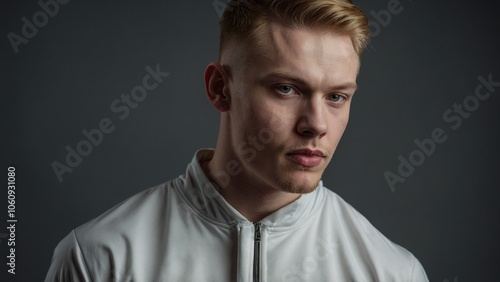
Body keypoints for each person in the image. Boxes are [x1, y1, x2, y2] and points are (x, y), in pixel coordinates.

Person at [45, 0, 429, 281]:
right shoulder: (97, 258)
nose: (316, 125)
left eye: (336, 97)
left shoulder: (392, 272)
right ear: (220, 88)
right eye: (286, 88)